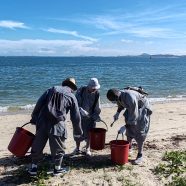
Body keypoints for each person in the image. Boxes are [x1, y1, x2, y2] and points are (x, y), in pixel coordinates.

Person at [28, 77, 82, 176]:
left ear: (64, 84)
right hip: (57, 124)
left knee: (38, 144)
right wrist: (78, 132)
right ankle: (57, 169)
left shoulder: (51, 89)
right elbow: (76, 117)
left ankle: (33, 168)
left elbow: (39, 104)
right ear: (72, 88)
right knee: (58, 147)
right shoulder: (71, 96)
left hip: (42, 121)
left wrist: (34, 118)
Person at [106, 87, 152, 164]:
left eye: (114, 101)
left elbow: (135, 115)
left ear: (117, 96)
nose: (114, 102)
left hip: (142, 108)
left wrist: (125, 126)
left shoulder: (130, 97)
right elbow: (121, 104)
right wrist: (117, 113)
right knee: (129, 131)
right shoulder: (119, 95)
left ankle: (140, 154)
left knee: (139, 132)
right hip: (132, 108)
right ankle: (128, 148)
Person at [71, 78, 101, 156]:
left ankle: (88, 148)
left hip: (90, 116)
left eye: (96, 88)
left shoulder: (97, 93)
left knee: (90, 132)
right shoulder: (81, 90)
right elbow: (75, 102)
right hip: (79, 116)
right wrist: (80, 109)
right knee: (78, 132)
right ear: (89, 86)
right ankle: (77, 148)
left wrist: (96, 115)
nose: (95, 89)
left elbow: (98, 106)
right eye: (93, 88)